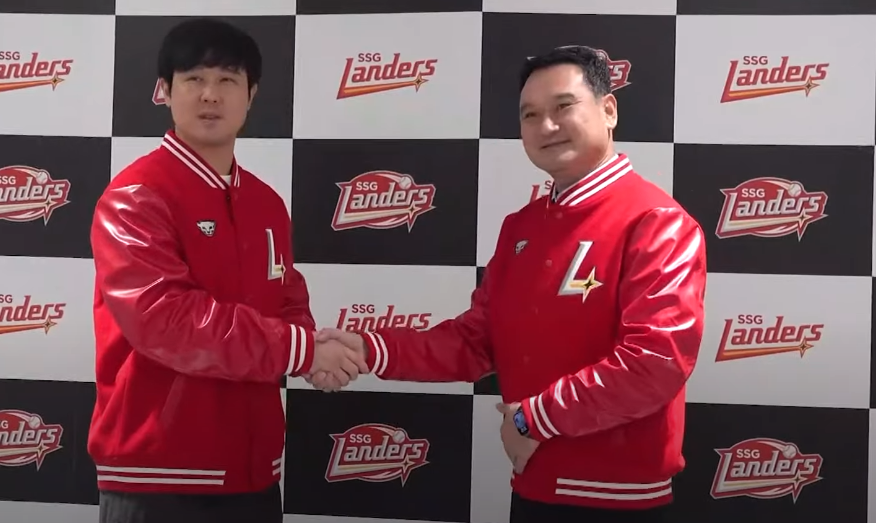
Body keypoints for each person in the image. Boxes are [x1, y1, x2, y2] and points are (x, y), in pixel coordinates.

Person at [310, 46, 706, 523]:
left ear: (609, 110)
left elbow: (656, 362)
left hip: (618, 499)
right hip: (532, 486)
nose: (546, 126)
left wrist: (530, 419)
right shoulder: (521, 226)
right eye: (530, 115)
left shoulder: (656, 220)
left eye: (563, 107)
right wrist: (370, 349)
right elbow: (475, 341)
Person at [88, 18, 366, 523]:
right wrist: (303, 350)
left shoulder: (266, 202)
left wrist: (313, 354)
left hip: (253, 470)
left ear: (251, 95)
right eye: (194, 78)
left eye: (227, 80)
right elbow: (166, 319)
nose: (210, 94)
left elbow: (287, 299)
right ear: (164, 91)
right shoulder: (135, 196)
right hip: (158, 474)